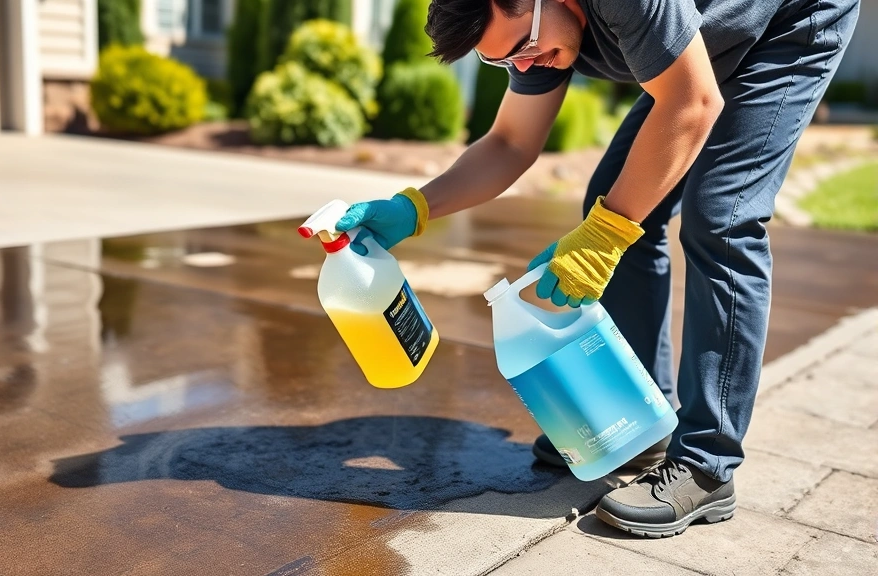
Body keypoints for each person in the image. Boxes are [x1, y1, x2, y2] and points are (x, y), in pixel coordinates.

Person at [334, 0, 859, 537]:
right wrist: (414, 207)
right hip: (707, 42)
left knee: (720, 218)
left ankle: (707, 465)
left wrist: (605, 237)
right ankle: (644, 423)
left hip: (789, 20)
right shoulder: (537, 43)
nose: (527, 66)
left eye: (522, 48)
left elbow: (693, 101)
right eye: (504, 63)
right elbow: (512, 142)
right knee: (611, 203)